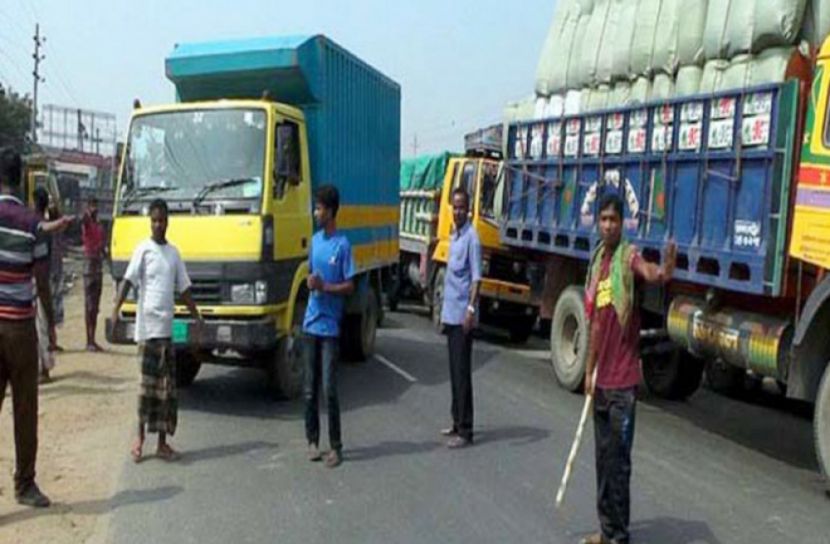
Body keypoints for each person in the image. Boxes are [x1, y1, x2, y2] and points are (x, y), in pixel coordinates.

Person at [581, 193, 676, 544]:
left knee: (619, 466)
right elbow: (593, 324)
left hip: (622, 385)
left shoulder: (627, 257)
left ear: (622, 224)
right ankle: (607, 532)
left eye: (614, 220)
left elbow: (649, 271)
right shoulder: (597, 263)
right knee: (602, 464)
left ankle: (619, 538)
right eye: (603, 219)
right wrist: (589, 372)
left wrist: (664, 271)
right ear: (598, 222)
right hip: (602, 381)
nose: (608, 225)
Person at [0, 147, 72, 507]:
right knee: (25, 409)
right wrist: (52, 325)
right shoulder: (31, 224)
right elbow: (41, 281)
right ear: (22, 179)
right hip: (20, 329)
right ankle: (24, 484)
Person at [112, 199, 203, 463]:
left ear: (168, 222)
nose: (158, 224)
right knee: (145, 390)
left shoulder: (173, 254)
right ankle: (139, 439)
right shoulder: (143, 250)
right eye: (154, 220)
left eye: (162, 220)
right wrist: (114, 311)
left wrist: (197, 316)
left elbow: (184, 290)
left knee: (166, 392)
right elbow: (127, 282)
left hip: (166, 332)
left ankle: (162, 444)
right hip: (146, 331)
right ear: (149, 222)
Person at [302, 184, 354, 469]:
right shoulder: (315, 241)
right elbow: (311, 274)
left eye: (319, 208)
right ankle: (312, 440)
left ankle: (336, 446)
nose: (315, 212)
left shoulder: (343, 245)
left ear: (331, 211)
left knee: (329, 389)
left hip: (331, 328)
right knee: (309, 388)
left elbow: (349, 286)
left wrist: (326, 286)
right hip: (311, 324)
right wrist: (312, 282)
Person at [439, 187, 482, 449]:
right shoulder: (455, 235)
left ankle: (466, 430)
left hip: (462, 317)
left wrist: (471, 310)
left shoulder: (472, 238)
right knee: (454, 373)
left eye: (462, 207)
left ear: (469, 209)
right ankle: (456, 422)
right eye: (454, 207)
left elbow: (477, 278)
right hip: (450, 314)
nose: (458, 211)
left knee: (462, 373)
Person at [32, 187, 55, 382]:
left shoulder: (34, 224)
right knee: (42, 327)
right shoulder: (43, 227)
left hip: (29, 281)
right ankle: (43, 369)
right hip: (38, 281)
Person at [81, 196, 106, 352]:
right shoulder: (87, 223)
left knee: (95, 307)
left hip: (98, 266)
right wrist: (87, 213)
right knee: (89, 305)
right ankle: (89, 340)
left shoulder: (99, 226)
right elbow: (82, 220)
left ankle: (93, 338)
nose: (94, 209)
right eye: (91, 206)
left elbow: (102, 245)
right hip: (89, 267)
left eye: (95, 206)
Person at [47, 197, 65, 352]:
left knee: (55, 306)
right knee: (48, 308)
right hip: (47, 271)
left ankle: (53, 340)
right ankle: (49, 341)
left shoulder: (57, 227)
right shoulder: (46, 226)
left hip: (56, 269)